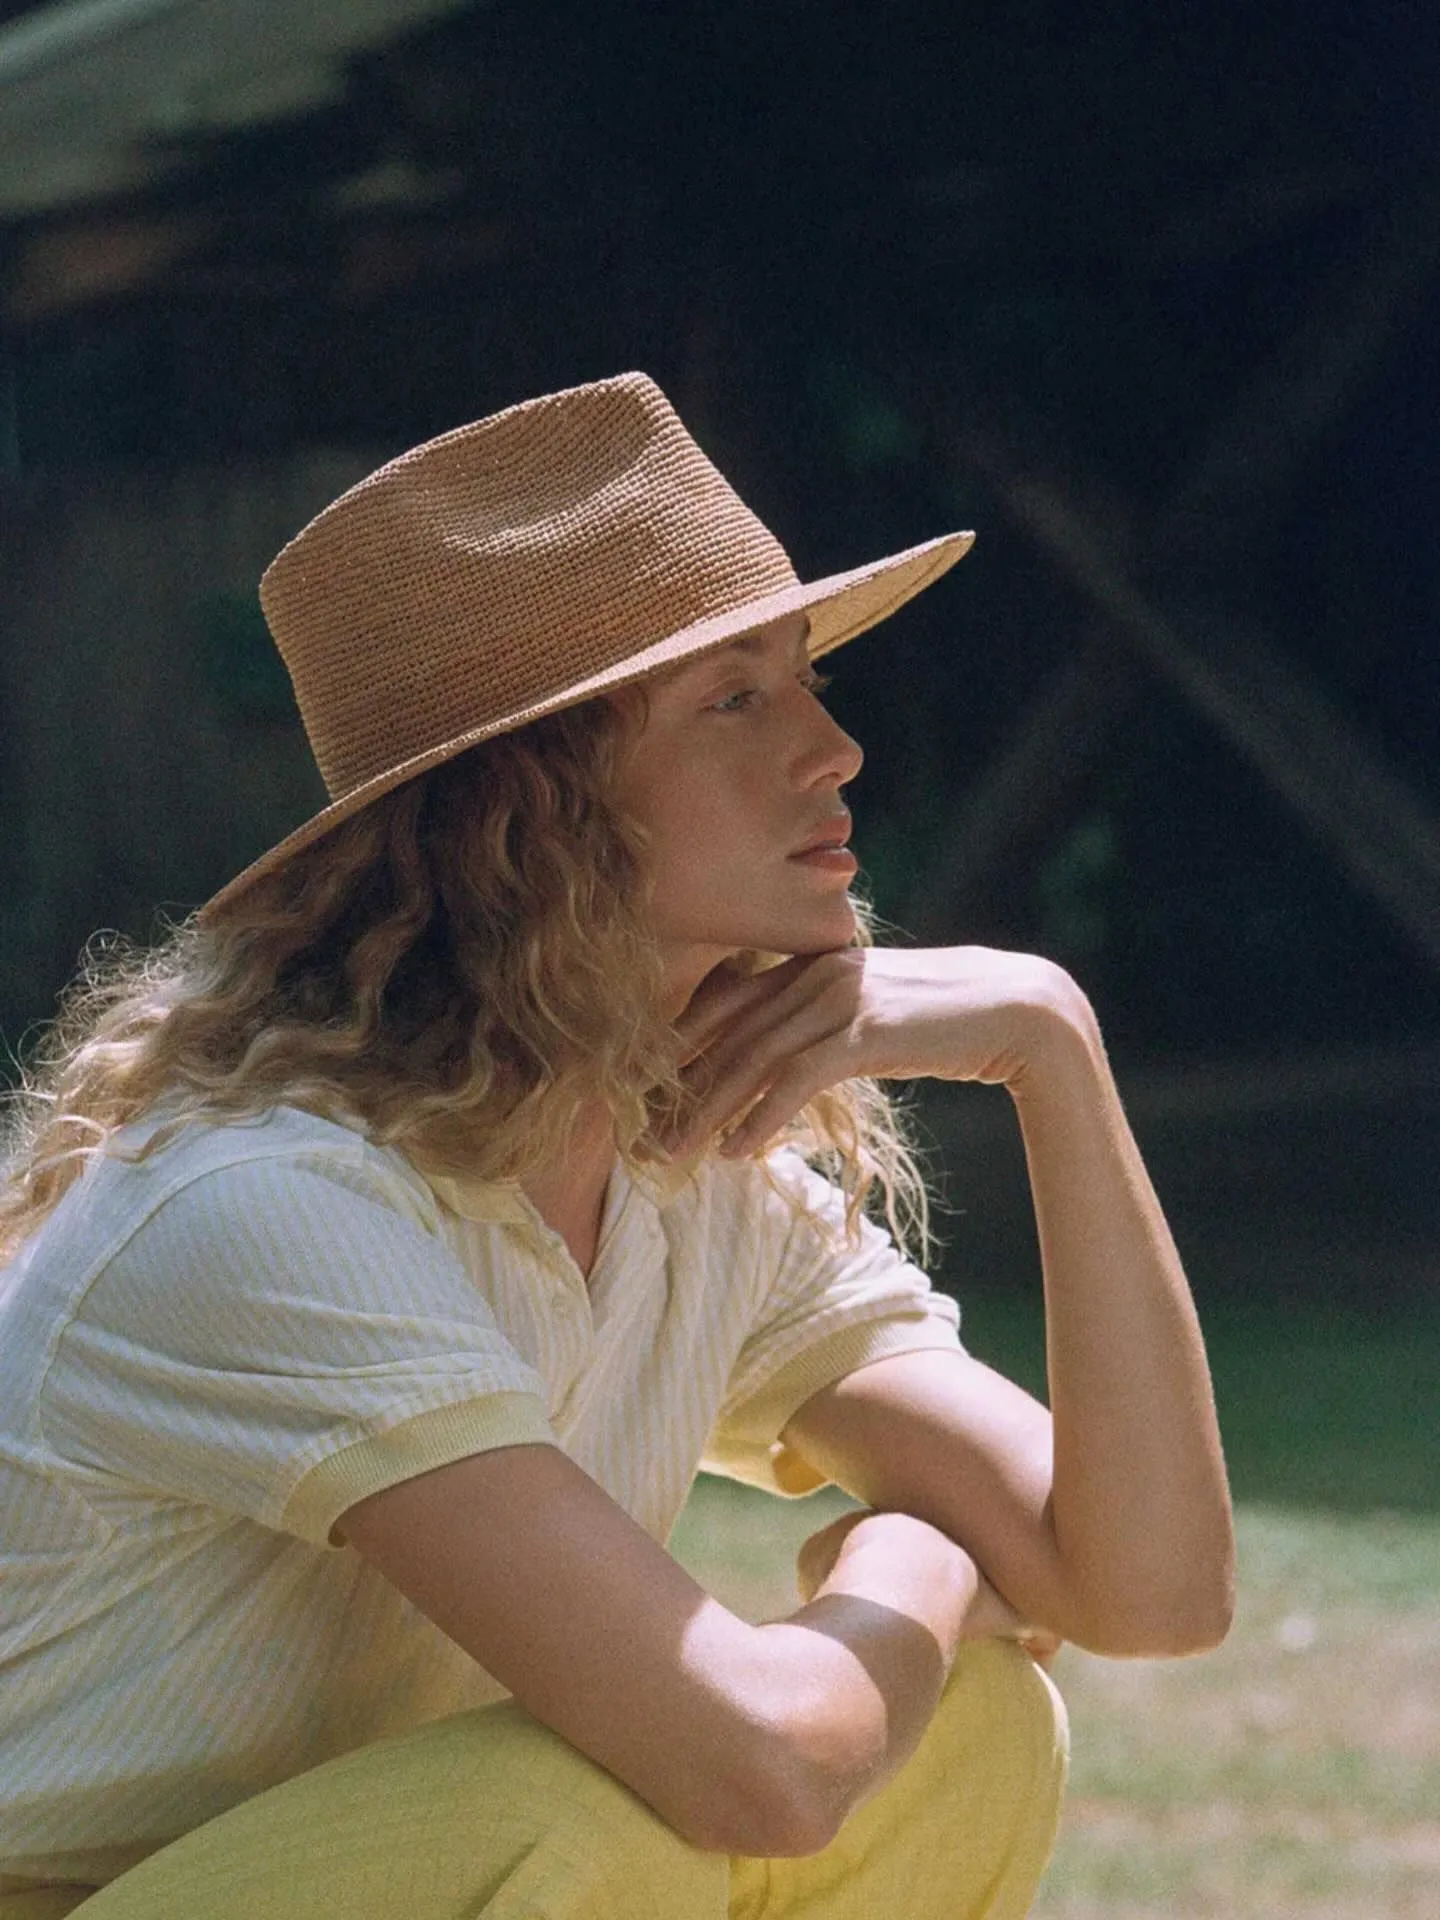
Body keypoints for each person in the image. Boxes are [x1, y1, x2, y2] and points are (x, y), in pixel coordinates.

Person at [0, 371, 1233, 1920]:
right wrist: (911, 1565)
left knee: (974, 1730)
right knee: (579, 1806)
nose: (832, 752)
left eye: (804, 677)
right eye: (734, 699)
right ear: (528, 813)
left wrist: (1055, 1048)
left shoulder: (688, 1177)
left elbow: (1155, 1591)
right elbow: (761, 1768)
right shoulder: (275, 1207)